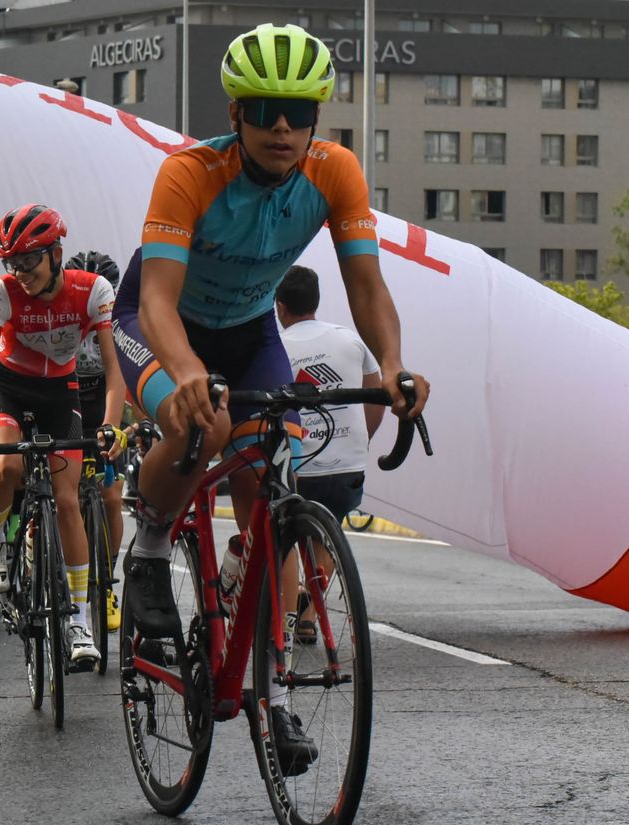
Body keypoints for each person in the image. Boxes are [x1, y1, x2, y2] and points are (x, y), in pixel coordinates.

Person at [110, 24, 430, 771]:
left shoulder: (335, 172)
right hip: (156, 324)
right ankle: (150, 544)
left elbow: (365, 282)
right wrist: (184, 367)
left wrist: (391, 364)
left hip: (249, 331)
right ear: (235, 114)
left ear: (317, 116)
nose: (281, 126)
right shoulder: (190, 174)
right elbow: (155, 299)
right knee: (205, 425)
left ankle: (275, 695)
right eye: (263, 109)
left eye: (297, 110)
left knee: (272, 498)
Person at [0, 204, 127, 667]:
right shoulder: (4, 292)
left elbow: (115, 370)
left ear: (56, 253)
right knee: (7, 466)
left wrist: (111, 423)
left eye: (29, 261)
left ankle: (78, 621)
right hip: (8, 388)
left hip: (61, 393)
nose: (20, 272)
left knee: (68, 499)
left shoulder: (93, 292)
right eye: (12, 263)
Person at [275, 265, 383, 521]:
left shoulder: (275, 350)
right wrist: (358, 442)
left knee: (284, 541)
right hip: (349, 467)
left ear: (280, 306)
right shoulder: (349, 338)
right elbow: (375, 397)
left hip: (299, 470)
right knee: (325, 541)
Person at [63, 250, 127, 633]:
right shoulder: (62, 319)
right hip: (67, 403)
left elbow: (125, 380)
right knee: (65, 494)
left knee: (112, 497)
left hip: (102, 404)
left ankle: (107, 582)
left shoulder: (116, 324)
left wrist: (114, 426)